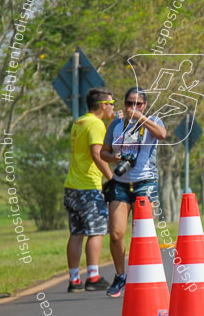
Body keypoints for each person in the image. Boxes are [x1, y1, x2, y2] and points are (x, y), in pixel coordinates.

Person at [101, 87, 167, 297]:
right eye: (129, 103)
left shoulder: (153, 120)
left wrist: (141, 118)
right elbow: (104, 152)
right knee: (116, 233)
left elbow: (162, 135)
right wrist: (115, 159)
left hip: (144, 182)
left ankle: (145, 276)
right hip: (120, 182)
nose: (132, 107)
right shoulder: (117, 124)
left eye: (137, 104)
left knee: (142, 233)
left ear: (144, 105)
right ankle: (121, 275)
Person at [63, 87, 115, 292]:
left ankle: (74, 279)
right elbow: (96, 153)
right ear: (103, 105)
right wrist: (111, 177)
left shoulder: (80, 121)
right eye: (111, 103)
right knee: (97, 230)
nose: (113, 107)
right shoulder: (96, 124)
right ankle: (93, 276)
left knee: (76, 232)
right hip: (88, 187)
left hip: (72, 186)